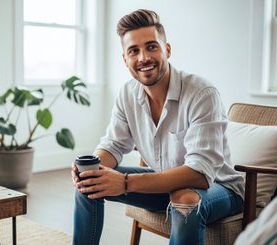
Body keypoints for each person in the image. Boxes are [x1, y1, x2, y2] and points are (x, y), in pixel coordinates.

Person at [71, 9, 245, 245]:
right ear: (125, 59)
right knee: (89, 183)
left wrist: (123, 183)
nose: (143, 58)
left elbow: (201, 174)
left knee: (184, 200)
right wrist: (92, 168)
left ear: (167, 50)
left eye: (151, 47)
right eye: (134, 51)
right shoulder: (127, 93)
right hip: (165, 185)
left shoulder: (202, 93)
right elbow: (113, 145)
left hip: (220, 189)